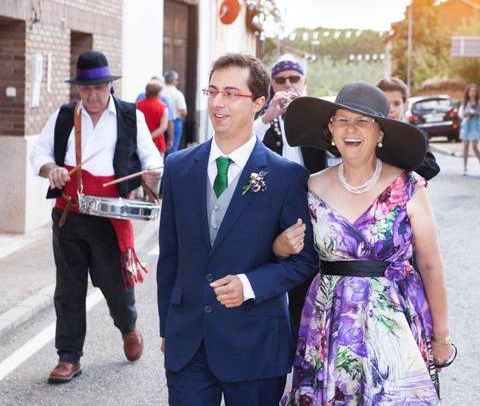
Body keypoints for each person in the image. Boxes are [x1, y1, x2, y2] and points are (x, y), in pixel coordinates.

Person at [157, 53, 318, 406]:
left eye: (231, 93)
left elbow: (304, 262)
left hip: (256, 342)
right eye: (212, 91)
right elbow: (169, 255)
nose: (218, 102)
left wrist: (249, 284)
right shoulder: (178, 167)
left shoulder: (287, 177)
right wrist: (167, 327)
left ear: (259, 103)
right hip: (189, 342)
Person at [280, 82, 454, 404]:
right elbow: (294, 254)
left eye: (362, 121)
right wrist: (279, 246)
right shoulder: (310, 186)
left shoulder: (410, 185)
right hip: (328, 324)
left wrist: (441, 337)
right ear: (330, 130)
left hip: (396, 323)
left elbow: (430, 265)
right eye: (342, 120)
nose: (351, 129)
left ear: (380, 133)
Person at [29, 51, 162, 383]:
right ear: (78, 89)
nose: (93, 94)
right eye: (86, 88)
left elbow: (152, 159)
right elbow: (39, 153)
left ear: (109, 86)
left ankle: (128, 326)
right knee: (69, 288)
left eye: (99, 86)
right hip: (68, 215)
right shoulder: (63, 117)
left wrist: (152, 174)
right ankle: (69, 358)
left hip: (110, 217)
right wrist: (52, 169)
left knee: (115, 286)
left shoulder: (131, 116)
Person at [253, 56, 326, 337]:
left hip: (311, 213)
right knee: (267, 281)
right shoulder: (263, 116)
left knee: (303, 286)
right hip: (267, 214)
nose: (287, 85)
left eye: (293, 79)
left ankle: (299, 348)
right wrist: (266, 119)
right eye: (280, 80)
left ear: (304, 82)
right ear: (272, 84)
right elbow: (241, 148)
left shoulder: (319, 117)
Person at [376, 77, 440, 181]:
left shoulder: (416, 135)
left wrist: (403, 156)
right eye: (386, 103)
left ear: (404, 105)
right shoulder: (366, 133)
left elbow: (432, 168)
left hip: (404, 195)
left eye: (397, 103)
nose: (391, 109)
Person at [136, 79, 175, 152]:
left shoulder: (137, 105)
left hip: (140, 142)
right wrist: (149, 137)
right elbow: (163, 127)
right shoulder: (163, 107)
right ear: (158, 93)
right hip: (157, 143)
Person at [459, 83, 480, 175]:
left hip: (475, 125)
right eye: (471, 91)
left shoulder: (479, 102)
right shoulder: (465, 102)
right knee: (465, 146)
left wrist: (476, 113)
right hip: (467, 125)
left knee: (474, 146)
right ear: (468, 92)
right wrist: (466, 113)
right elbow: (461, 114)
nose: (472, 93)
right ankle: (465, 168)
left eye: (474, 91)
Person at [163, 70, 188, 155]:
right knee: (172, 148)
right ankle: (169, 166)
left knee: (161, 147)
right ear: (173, 81)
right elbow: (183, 111)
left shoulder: (160, 91)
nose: (177, 81)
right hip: (175, 121)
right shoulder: (177, 93)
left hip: (160, 121)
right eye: (177, 79)